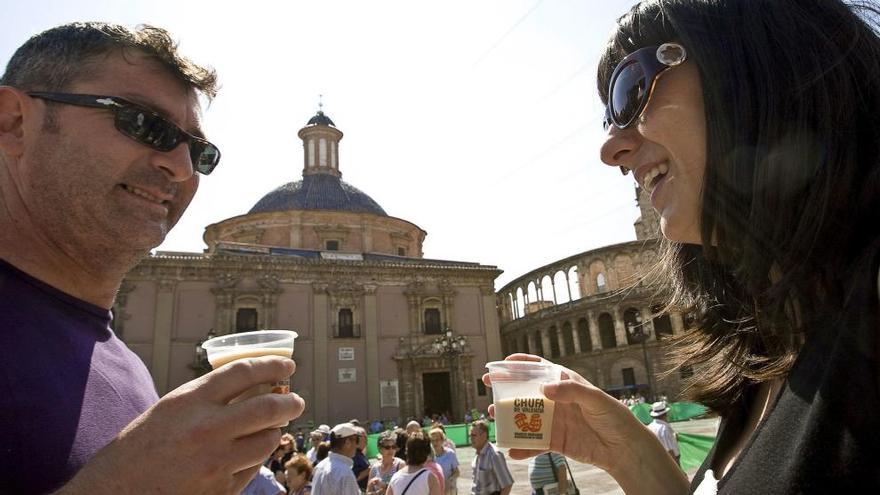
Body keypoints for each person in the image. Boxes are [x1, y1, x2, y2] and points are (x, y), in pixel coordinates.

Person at [485, 0, 880, 493]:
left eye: (629, 91)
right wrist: (630, 453)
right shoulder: (764, 360)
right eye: (607, 118)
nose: (611, 149)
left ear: (757, 62)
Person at [0, 22, 305, 494]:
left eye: (199, 151)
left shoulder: (128, 367)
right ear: (15, 122)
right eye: (142, 123)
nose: (181, 167)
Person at [311, 423, 361, 495]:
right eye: (357, 440)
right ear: (347, 442)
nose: (357, 445)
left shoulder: (319, 466)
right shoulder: (344, 472)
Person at [468, 420, 513, 495]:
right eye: (470, 435)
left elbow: (507, 485)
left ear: (484, 435)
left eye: (474, 435)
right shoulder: (477, 454)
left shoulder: (494, 455)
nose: (471, 438)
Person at [367, 431, 406, 495]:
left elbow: (403, 488)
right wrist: (378, 493)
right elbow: (368, 491)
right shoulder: (374, 467)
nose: (391, 450)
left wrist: (384, 486)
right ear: (380, 449)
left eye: (393, 447)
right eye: (387, 447)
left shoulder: (400, 464)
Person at [647, 401, 680, 467]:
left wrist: (674, 438)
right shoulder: (664, 428)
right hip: (669, 462)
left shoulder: (649, 427)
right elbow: (669, 450)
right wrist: (678, 468)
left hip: (657, 461)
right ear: (665, 414)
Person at [429, 428, 459, 495]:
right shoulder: (428, 457)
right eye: (432, 440)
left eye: (437, 440)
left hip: (449, 490)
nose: (434, 443)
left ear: (442, 440)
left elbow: (457, 472)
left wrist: (450, 480)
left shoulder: (450, 453)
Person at [352, 426, 372, 492]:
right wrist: (370, 469)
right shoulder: (353, 455)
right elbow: (355, 477)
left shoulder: (360, 453)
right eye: (364, 437)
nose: (366, 440)